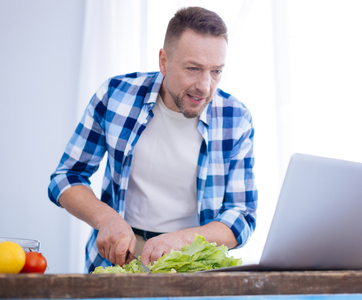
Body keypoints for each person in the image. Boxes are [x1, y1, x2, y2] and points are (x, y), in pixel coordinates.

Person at [48, 6, 257, 273]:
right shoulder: (115, 95)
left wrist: (183, 239)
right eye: (193, 68)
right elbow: (66, 177)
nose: (205, 86)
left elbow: (242, 215)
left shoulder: (236, 118)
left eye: (216, 71)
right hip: (117, 257)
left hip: (193, 261)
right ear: (163, 61)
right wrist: (106, 218)